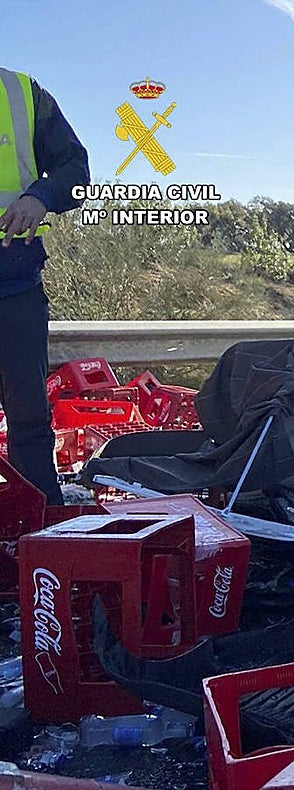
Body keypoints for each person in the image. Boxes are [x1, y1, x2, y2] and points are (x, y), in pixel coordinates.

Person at [0, 69, 89, 505]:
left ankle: (39, 526)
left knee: (29, 419)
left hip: (13, 287)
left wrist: (40, 196)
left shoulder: (22, 93)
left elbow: (76, 170)